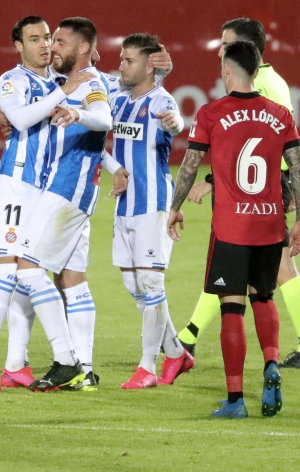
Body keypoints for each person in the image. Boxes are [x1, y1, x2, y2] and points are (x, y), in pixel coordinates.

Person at [167, 40, 300, 418]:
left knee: (232, 306)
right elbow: (298, 172)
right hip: (270, 224)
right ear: (257, 70)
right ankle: (272, 364)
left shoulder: (211, 113)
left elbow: (190, 166)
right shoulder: (280, 114)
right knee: (264, 297)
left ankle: (235, 401)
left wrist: (175, 208)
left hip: (231, 227)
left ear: (227, 71)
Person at [0, 16, 89, 392]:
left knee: (28, 274)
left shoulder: (55, 80)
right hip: (14, 184)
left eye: (47, 37)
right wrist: (1, 112)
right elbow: (19, 119)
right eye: (34, 39)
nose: (44, 45)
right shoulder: (14, 80)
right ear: (18, 46)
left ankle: (15, 364)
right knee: (8, 272)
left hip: (42, 190)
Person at [12, 17, 113, 391]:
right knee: (71, 279)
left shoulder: (89, 84)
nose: (52, 47)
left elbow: (103, 118)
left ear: (83, 48)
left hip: (67, 190)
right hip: (77, 192)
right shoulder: (69, 81)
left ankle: (65, 360)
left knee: (27, 269)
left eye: (60, 41)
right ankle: (85, 370)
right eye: (50, 40)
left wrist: (77, 113)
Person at [102, 33, 192, 390]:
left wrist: (174, 123)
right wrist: (114, 168)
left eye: (129, 61)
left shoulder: (161, 100)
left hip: (153, 203)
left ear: (148, 65)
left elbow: (177, 121)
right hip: (125, 202)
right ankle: (176, 352)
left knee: (151, 283)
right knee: (132, 283)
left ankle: (148, 366)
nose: (122, 66)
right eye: (121, 59)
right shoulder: (118, 99)